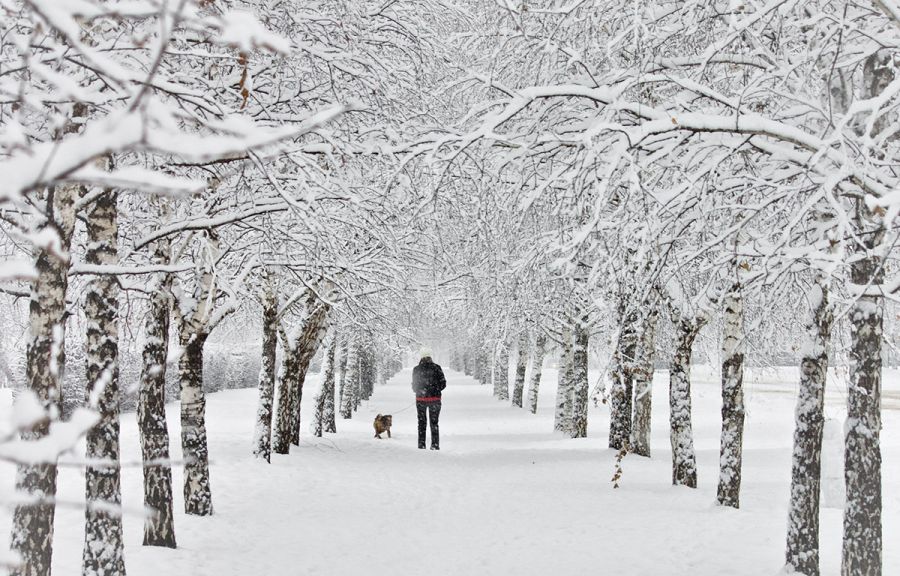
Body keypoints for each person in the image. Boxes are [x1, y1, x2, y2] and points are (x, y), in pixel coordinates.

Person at [412, 347, 446, 450]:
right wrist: (435, 390)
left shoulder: (417, 369)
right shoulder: (437, 368)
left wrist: (421, 391)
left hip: (421, 400)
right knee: (434, 423)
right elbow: (443, 384)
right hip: (435, 400)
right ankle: (435, 445)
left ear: (421, 357)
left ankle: (421, 445)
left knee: (421, 423)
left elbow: (414, 386)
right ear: (430, 356)